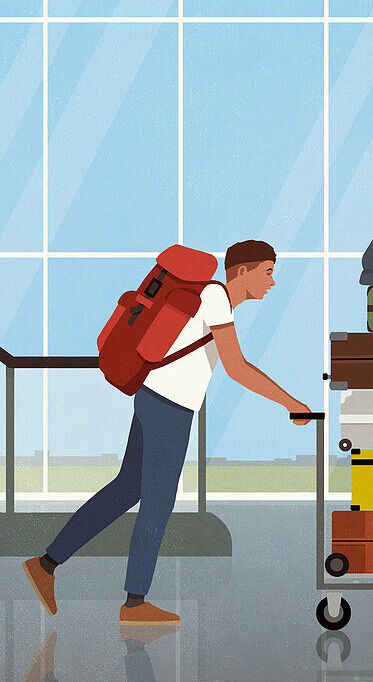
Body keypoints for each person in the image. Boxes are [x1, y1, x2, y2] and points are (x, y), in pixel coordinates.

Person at [23, 239, 312, 624]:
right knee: (157, 505)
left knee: (127, 488)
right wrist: (290, 402)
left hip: (152, 398)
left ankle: (46, 564)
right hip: (171, 410)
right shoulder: (215, 298)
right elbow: (237, 367)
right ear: (242, 272)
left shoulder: (209, 298)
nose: (273, 282)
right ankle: (134, 604)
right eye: (268, 271)